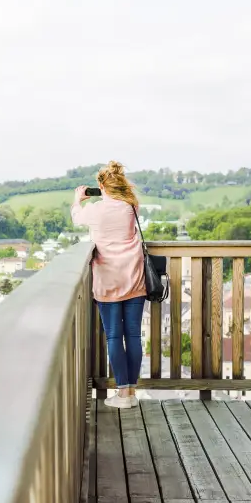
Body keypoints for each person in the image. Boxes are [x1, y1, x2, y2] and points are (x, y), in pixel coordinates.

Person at [71, 161, 146, 409]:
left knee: (114, 335)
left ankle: (122, 393)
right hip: (134, 277)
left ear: (101, 186)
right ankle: (131, 392)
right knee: (133, 335)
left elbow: (76, 218)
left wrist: (78, 198)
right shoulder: (131, 206)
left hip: (108, 279)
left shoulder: (94, 210)